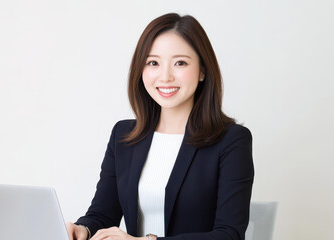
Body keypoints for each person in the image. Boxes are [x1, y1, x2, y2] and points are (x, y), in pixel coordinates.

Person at [66, 12, 254, 240]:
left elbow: (229, 235)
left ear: (203, 70)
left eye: (180, 63)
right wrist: (82, 229)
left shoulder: (231, 140)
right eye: (153, 62)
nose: (165, 76)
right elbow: (103, 215)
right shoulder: (123, 136)